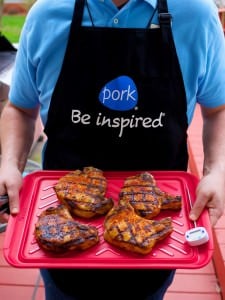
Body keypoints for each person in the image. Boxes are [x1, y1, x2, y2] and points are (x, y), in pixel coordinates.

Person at [0, 0, 225, 299]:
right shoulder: (46, 14)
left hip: (154, 230)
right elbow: (20, 108)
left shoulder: (196, 15)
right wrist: (10, 165)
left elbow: (218, 110)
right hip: (61, 230)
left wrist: (217, 170)